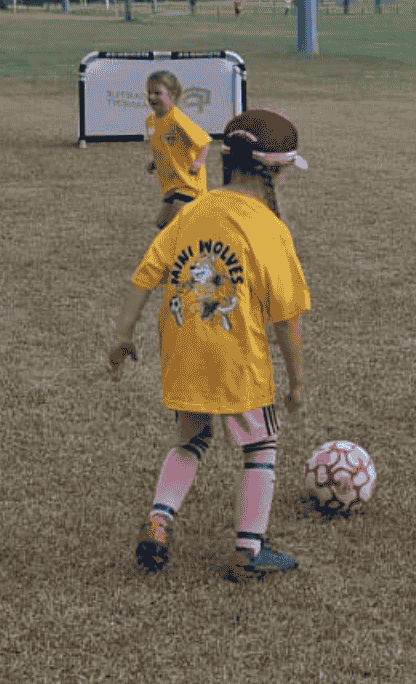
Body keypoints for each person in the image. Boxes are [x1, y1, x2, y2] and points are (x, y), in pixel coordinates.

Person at [109, 108, 311, 581]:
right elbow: (286, 317)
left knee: (191, 440)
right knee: (261, 445)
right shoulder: (270, 229)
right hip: (236, 358)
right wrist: (297, 382)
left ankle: (159, 522)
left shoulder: (192, 210)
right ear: (275, 172)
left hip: (182, 351)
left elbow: (144, 276)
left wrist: (122, 336)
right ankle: (249, 550)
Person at [143, 70, 210, 230]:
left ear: (172, 94)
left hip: (188, 185)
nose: (152, 97)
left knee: (174, 227)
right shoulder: (152, 120)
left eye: (157, 93)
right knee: (162, 224)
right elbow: (166, 146)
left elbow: (204, 142)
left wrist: (197, 164)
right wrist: (155, 162)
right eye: (149, 92)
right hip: (171, 185)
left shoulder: (177, 118)